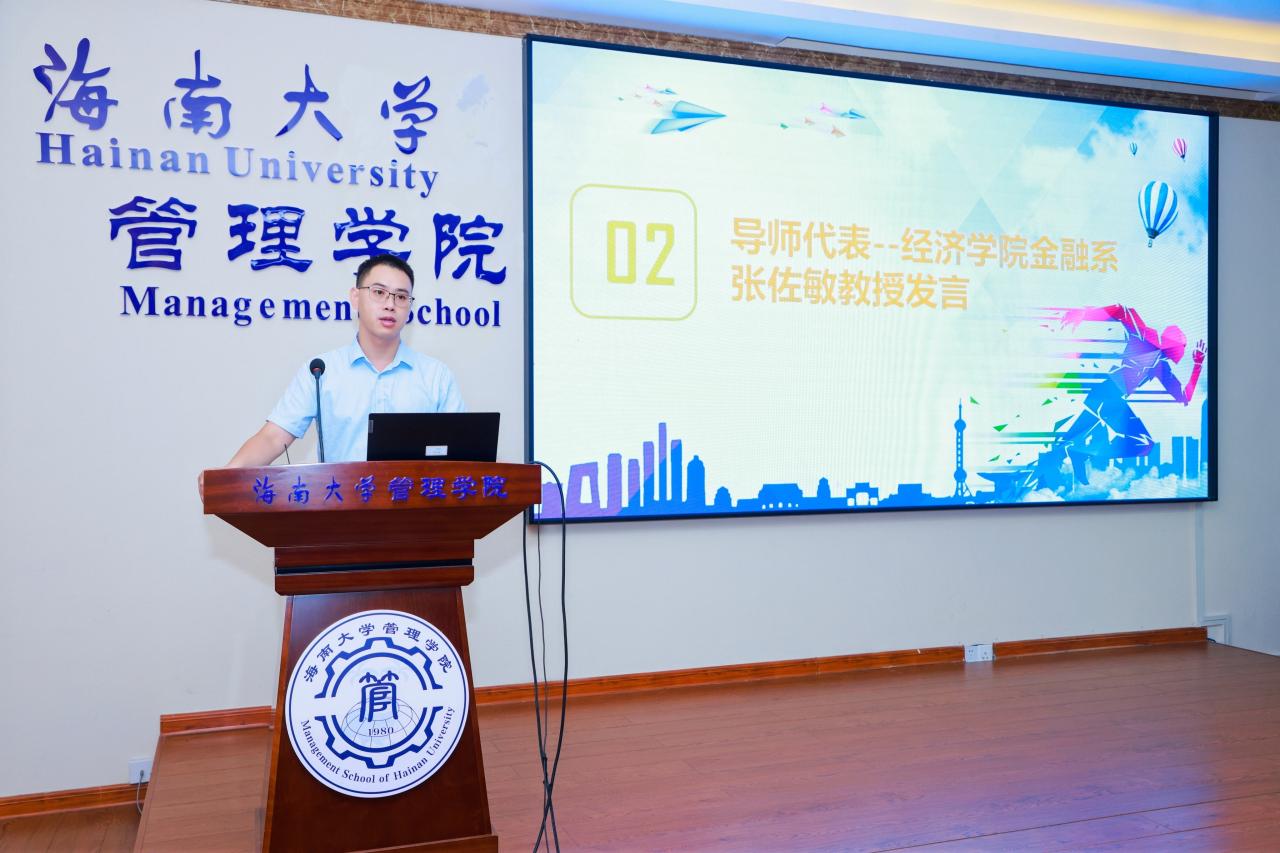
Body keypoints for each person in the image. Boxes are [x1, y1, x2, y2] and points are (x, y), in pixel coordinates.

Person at [220, 253, 463, 473]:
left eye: (401, 297)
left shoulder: (436, 376)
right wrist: (223, 476)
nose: (390, 304)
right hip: (340, 504)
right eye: (379, 292)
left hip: (415, 504)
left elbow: (461, 453)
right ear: (355, 298)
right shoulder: (321, 372)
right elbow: (272, 438)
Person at [1053, 303, 1205, 484]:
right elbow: (1122, 310)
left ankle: (1077, 454)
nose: (1182, 351)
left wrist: (1197, 365)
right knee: (1143, 443)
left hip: (1104, 397)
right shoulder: (1144, 336)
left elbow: (1184, 397)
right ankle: (1081, 454)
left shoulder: (1161, 367)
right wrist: (1085, 314)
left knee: (1068, 441)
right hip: (1108, 397)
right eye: (1182, 346)